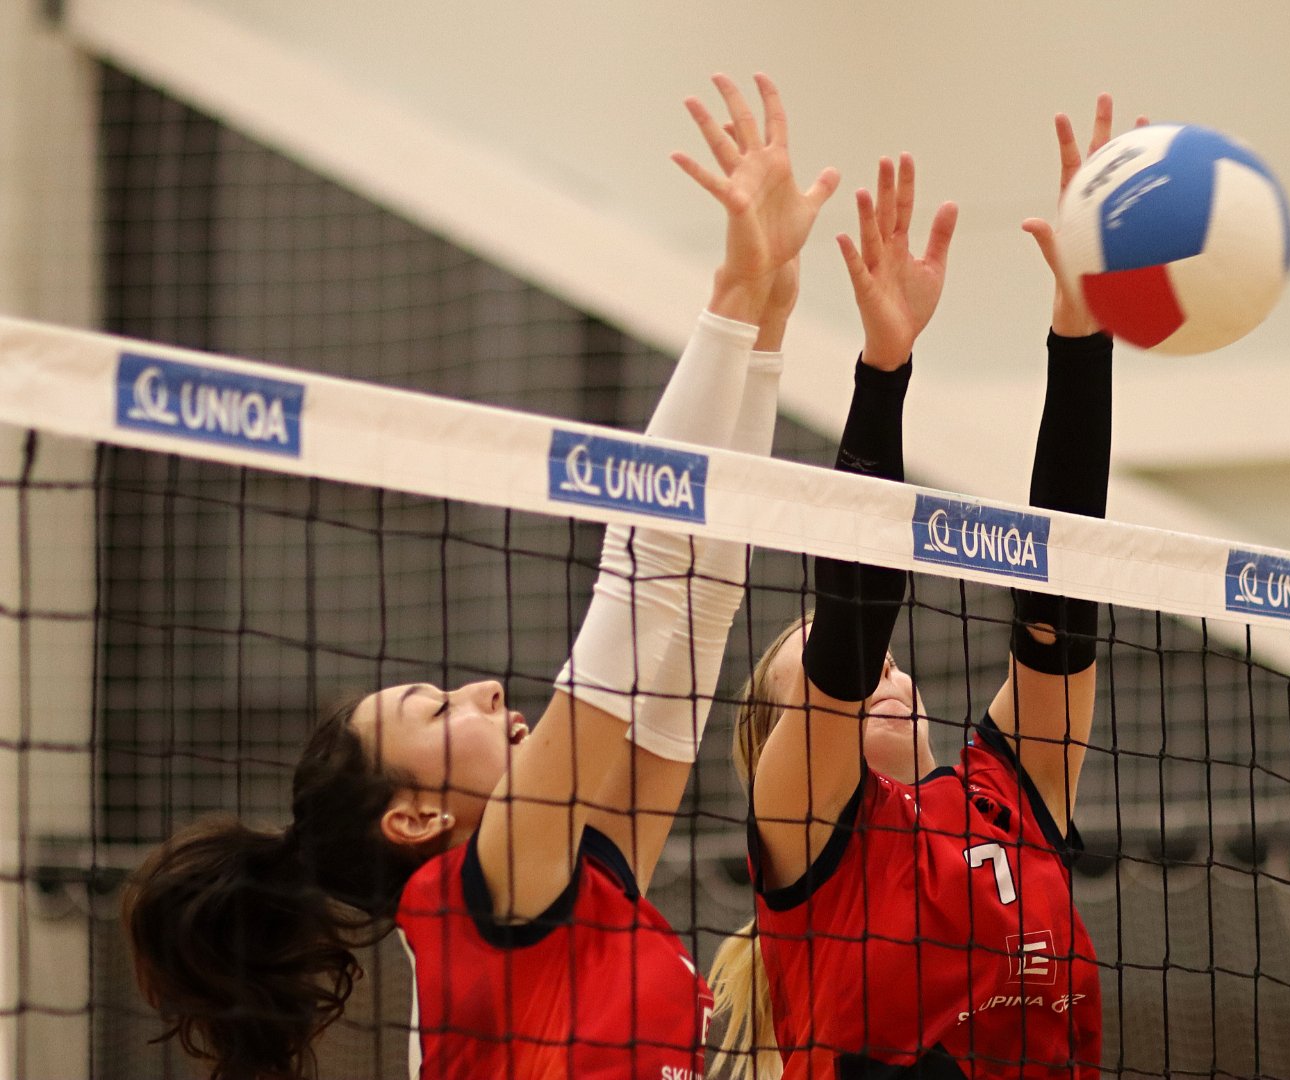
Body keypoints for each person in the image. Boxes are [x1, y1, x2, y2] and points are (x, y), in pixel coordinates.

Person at [121, 73, 838, 1080]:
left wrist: (763, 317)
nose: (486, 689)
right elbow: (642, 591)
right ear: (416, 819)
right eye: (436, 707)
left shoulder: (567, 877)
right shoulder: (477, 889)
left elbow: (695, 604)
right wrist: (731, 302)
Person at [709, 95, 1143, 1079]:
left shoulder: (1007, 793)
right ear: (784, 738)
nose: (884, 674)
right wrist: (885, 370)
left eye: (890, 665)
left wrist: (1080, 333)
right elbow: (855, 619)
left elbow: (1061, 593)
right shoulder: (805, 836)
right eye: (831, 680)